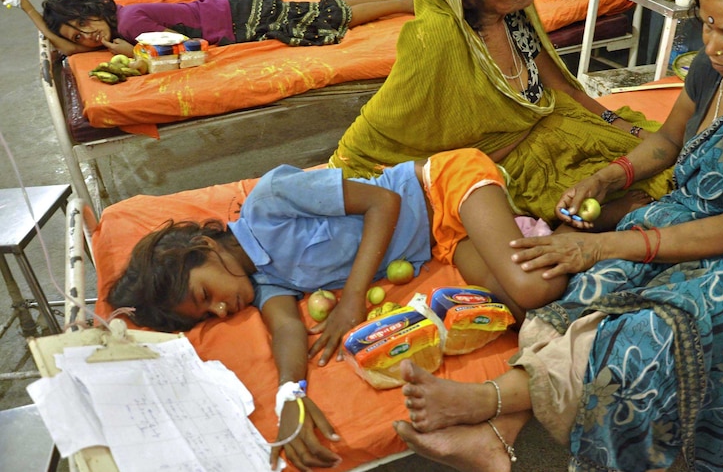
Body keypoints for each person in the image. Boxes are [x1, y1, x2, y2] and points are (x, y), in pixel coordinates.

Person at [392, 0, 723, 471]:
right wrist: (606, 177)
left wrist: (596, 247)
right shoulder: (715, 66)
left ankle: (488, 405)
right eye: (707, 25)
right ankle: (498, 433)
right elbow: (666, 142)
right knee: (582, 292)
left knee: (646, 335)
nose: (714, 44)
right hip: (694, 222)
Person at [105, 148, 569, 471]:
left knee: (529, 289)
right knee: (517, 310)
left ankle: (595, 242)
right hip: (441, 242)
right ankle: (560, 244)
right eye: (210, 316)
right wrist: (291, 397)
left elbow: (384, 202)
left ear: (205, 247)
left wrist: (351, 298)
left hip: (441, 187)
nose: (224, 309)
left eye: (207, 295)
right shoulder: (268, 282)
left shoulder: (271, 201)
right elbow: (286, 330)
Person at [327, 0, 675, 227]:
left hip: (558, 128)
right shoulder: (438, 39)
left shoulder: (514, 14)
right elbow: (373, 138)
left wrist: (628, 129)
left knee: (666, 162)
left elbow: (566, 90)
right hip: (510, 166)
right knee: (616, 195)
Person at [1, 0, 414, 58]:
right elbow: (69, 49)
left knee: (325, 14)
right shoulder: (120, 26)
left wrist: (138, 54)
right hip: (236, 17)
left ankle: (406, 0)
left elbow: (180, 52)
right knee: (318, 15)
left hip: (239, 18)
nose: (87, 39)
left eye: (83, 25)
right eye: (79, 38)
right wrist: (24, 6)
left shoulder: (130, 21)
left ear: (92, 10)